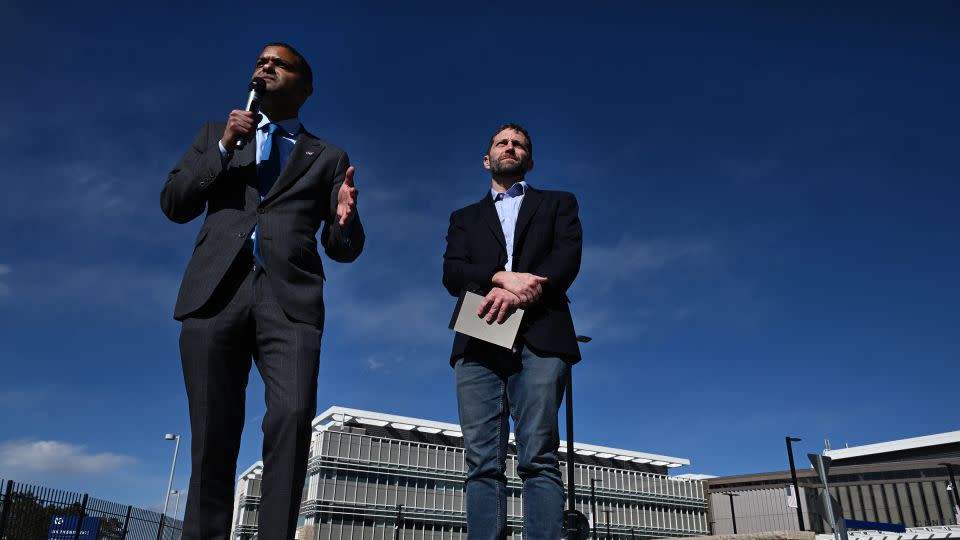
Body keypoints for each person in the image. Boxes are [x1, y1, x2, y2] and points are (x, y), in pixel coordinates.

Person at [161, 42, 364, 540]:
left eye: (279, 63)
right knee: (212, 433)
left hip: (289, 298)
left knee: (292, 419)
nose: (265, 67)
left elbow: (342, 248)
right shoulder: (217, 133)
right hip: (215, 294)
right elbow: (175, 203)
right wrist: (226, 147)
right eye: (260, 62)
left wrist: (347, 219)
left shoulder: (329, 155)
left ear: (305, 86)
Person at [442, 123, 583, 538]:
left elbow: (567, 259)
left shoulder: (559, 203)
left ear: (529, 160)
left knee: (537, 455)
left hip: (542, 331)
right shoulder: (464, 218)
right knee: (482, 460)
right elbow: (453, 273)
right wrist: (500, 279)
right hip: (479, 330)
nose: (510, 147)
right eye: (502, 143)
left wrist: (524, 294)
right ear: (488, 159)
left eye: (519, 144)